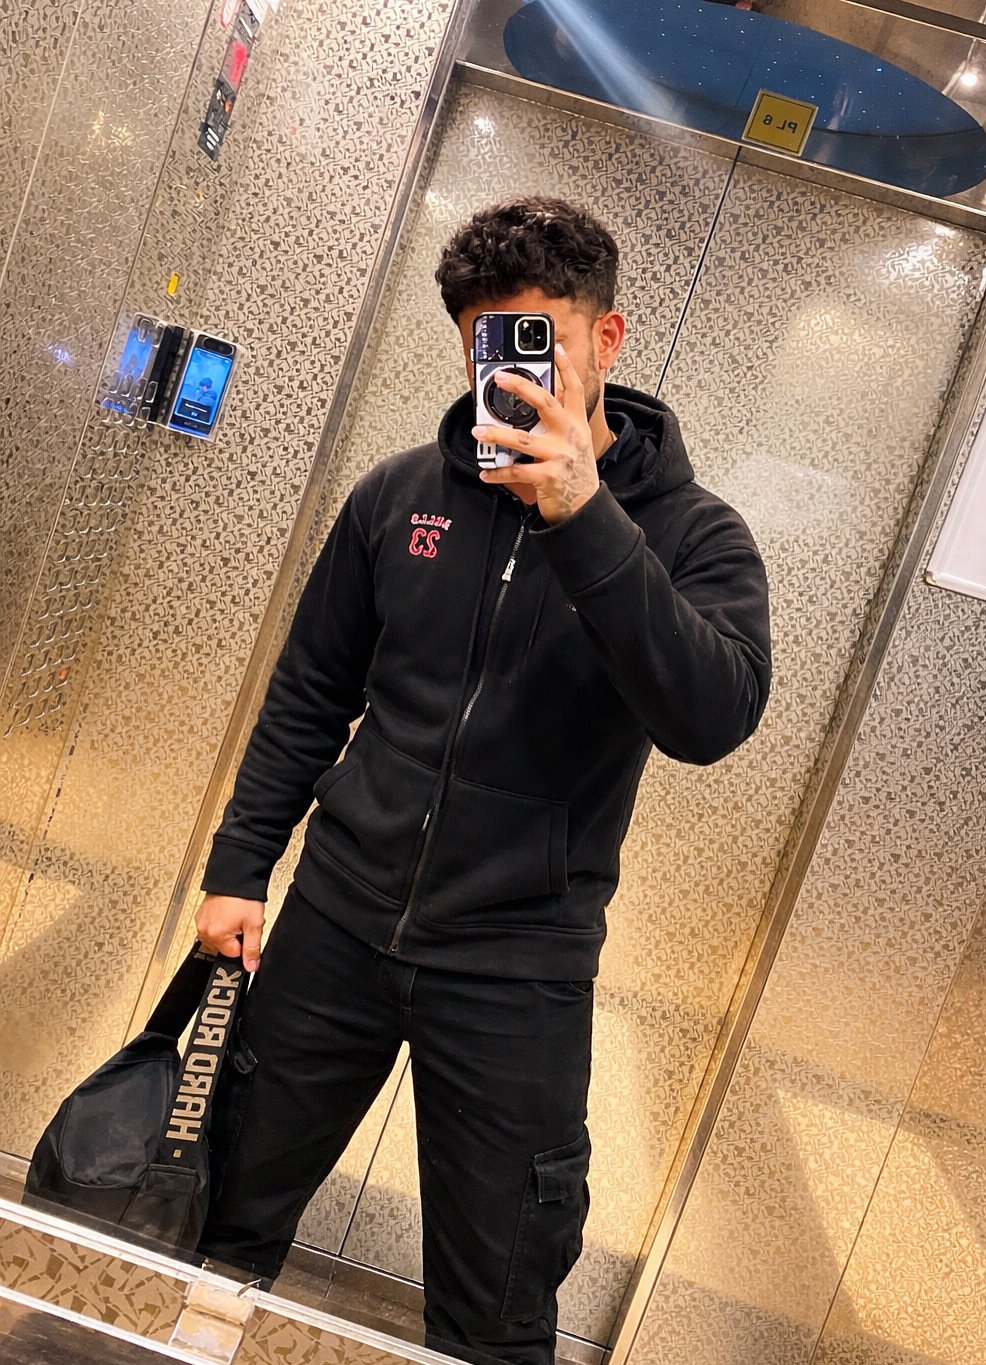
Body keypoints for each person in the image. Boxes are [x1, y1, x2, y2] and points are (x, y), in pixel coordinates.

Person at [194, 196, 772, 1365]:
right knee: (222, 1220)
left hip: (519, 967)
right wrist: (238, 869)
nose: (507, 375)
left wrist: (581, 514)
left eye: (537, 341)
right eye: (485, 348)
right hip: (335, 924)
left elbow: (711, 718)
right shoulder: (399, 493)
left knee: (497, 1304)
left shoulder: (693, 536)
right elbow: (310, 694)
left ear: (605, 340)